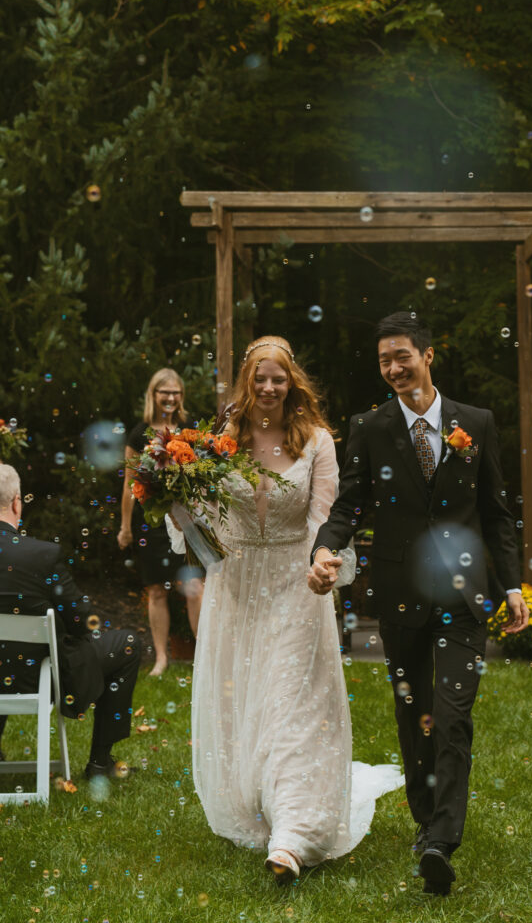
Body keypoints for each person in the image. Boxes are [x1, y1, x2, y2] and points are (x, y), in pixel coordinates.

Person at [309, 311, 529, 896]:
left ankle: (440, 840)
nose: (393, 368)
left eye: (402, 356)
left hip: (464, 593)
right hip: (401, 595)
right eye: (384, 360)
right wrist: (327, 549)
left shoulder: (475, 423)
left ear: (429, 356)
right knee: (415, 715)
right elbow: (349, 505)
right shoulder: (370, 427)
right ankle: (424, 816)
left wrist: (511, 586)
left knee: (453, 715)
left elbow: (497, 513)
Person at [169, 336, 402, 884]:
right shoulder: (218, 445)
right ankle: (258, 800)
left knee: (293, 702)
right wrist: (173, 498)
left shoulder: (317, 440)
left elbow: (329, 515)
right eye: (259, 378)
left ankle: (294, 833)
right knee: (248, 697)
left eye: (278, 378)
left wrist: (325, 565)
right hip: (237, 585)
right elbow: (200, 516)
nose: (268, 387)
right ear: (246, 385)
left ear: (291, 383)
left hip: (298, 584)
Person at [0, 464, 141, 780]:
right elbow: (82, 622)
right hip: (40, 679)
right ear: (16, 503)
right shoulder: (41, 555)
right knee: (128, 644)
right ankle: (100, 764)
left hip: (6, 673)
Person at [117, 368, 203, 676]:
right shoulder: (138, 433)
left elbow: (204, 475)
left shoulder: (190, 429)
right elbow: (129, 483)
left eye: (175, 392)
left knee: (194, 586)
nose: (170, 397)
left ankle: (203, 655)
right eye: (164, 391)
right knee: (157, 590)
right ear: (153, 395)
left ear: (182, 396)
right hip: (151, 521)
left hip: (186, 519)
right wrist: (125, 526)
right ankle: (162, 658)